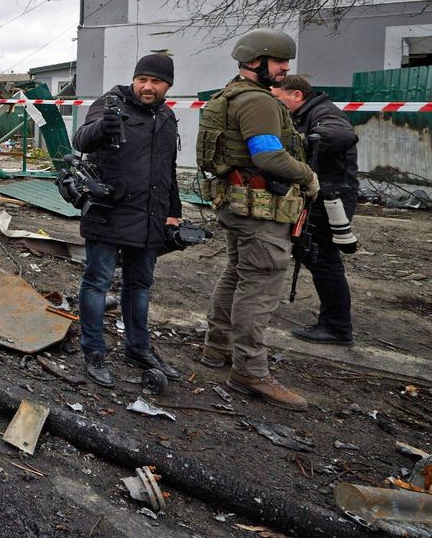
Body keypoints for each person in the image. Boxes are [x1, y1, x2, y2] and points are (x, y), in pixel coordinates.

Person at [197, 29, 320, 410]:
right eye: (280, 61)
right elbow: (267, 156)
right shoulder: (257, 102)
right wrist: (308, 176)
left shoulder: (230, 94)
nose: (285, 69)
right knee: (261, 283)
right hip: (259, 210)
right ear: (256, 61)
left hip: (239, 204)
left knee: (237, 273)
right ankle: (249, 369)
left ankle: (216, 349)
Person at [71, 54, 182, 387]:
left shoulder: (167, 116)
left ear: (168, 86)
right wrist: (102, 128)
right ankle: (93, 352)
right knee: (97, 282)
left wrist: (173, 212)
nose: (147, 86)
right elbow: (80, 140)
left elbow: (169, 170)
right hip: (108, 211)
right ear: (134, 79)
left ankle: (138, 348)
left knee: (140, 286)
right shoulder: (110, 103)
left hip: (150, 215)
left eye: (156, 81)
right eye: (142, 79)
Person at [272, 76, 358, 345]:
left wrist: (299, 144)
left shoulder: (323, 112)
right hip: (318, 196)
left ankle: (337, 327)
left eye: (278, 98)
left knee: (324, 261)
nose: (276, 105)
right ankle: (334, 321)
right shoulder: (307, 113)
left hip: (330, 198)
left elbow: (340, 135)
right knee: (313, 255)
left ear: (297, 95)